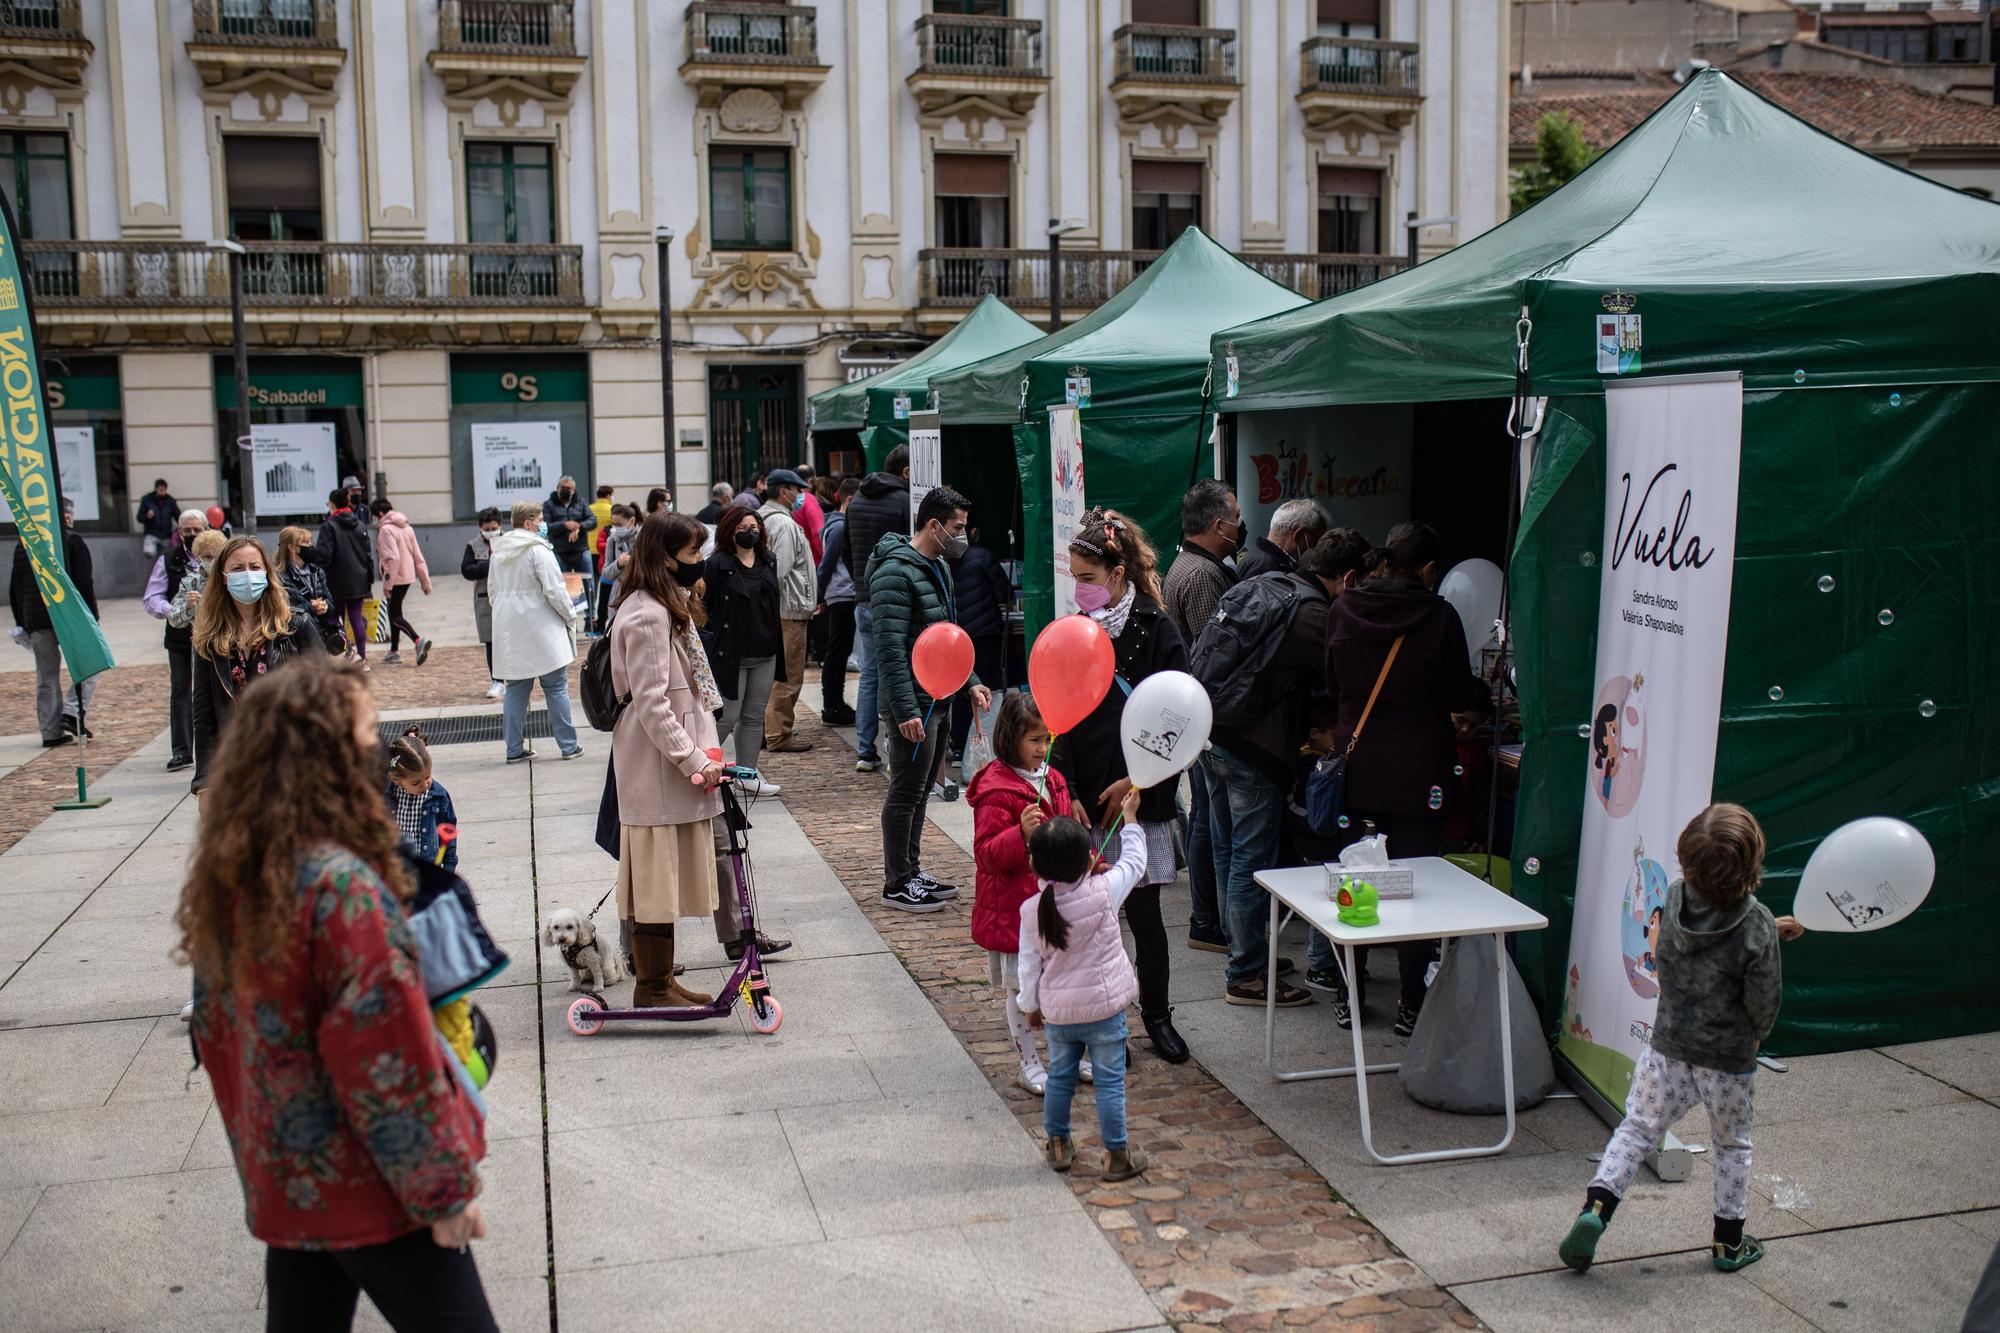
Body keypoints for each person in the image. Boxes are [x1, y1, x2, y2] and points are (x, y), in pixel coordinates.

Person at [174, 657, 495, 1331]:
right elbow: (385, 1057)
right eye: (369, 731)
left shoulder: (242, 871)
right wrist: (442, 1189)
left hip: (291, 1176)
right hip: (370, 1182)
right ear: (326, 753)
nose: (381, 749)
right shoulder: (339, 887)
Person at [1561, 803, 1803, 1277]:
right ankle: (1728, 1244)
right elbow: (1763, 1001)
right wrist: (1755, 1034)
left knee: (1636, 1129)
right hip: (1728, 1060)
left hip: (1668, 1046)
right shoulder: (1755, 924)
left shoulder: (1673, 899)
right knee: (1732, 1145)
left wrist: (1771, 931)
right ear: (1752, 863)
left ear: (1686, 860)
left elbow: (1697, 949)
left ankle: (1596, 1209)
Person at [1322, 520, 1490, 1034]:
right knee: (1415, 887)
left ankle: (1352, 994)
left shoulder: (1344, 607)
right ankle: (1410, 1002)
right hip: (1420, 771)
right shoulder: (1439, 617)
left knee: (1356, 878)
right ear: (1429, 568)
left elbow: (1331, 683)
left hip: (1361, 765)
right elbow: (1460, 692)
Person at [1051, 508, 1191, 1062]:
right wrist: (1073, 794)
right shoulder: (1072, 634)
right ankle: (1102, 1022)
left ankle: (1156, 1014)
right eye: (1074, 577)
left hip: (1140, 797)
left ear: (1116, 572)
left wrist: (1137, 783)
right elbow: (1057, 720)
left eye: (1086, 577)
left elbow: (1178, 716)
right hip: (1084, 797)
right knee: (1089, 917)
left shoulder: (1158, 630)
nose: (1079, 588)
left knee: (1146, 917)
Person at [1205, 540, 1362, 1011]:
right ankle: (1246, 973)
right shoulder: (1313, 615)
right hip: (1256, 748)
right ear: (1347, 578)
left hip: (1214, 734)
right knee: (1250, 863)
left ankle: (1245, 953)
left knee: (1230, 851)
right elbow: (1344, 679)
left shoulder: (1267, 586)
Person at [610, 511, 729, 1008]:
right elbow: (652, 703)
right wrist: (692, 759)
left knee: (667, 882)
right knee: (657, 882)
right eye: (692, 554)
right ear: (665, 558)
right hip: (660, 769)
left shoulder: (662, 605)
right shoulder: (646, 615)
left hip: (674, 767)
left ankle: (660, 981)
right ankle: (652, 986)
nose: (699, 562)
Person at [868, 484, 992, 912]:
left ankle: (911, 869)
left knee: (921, 791)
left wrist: (970, 679)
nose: (962, 535)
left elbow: (946, 637)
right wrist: (905, 709)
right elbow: (889, 648)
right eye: (957, 527)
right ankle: (896, 880)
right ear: (934, 525)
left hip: (937, 698)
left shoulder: (936, 563)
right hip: (914, 703)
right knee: (906, 791)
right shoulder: (894, 573)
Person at [1017, 792, 1151, 1182]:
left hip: (1060, 1014)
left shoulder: (1031, 910)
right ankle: (1117, 1154)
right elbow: (1135, 862)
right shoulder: (1104, 890)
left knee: (1060, 1077)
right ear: (1090, 860)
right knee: (1110, 1083)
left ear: (1033, 863)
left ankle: (1058, 1143)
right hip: (1106, 1011)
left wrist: (1031, 1005)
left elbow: (1029, 968)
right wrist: (1130, 819)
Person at [969, 692, 1073, 1094]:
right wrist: (1021, 834)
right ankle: (1028, 1060)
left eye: (1047, 740)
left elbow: (1065, 833)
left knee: (1062, 982)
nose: (1042, 748)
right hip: (1016, 909)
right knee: (1021, 988)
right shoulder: (997, 791)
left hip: (1054, 905)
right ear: (1012, 738)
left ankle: (1068, 1052)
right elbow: (986, 854)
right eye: (1035, 740)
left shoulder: (1053, 778)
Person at [1160, 478, 1242, 955]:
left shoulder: (1188, 565)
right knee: (1214, 823)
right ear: (1217, 525)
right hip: (1207, 717)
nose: (1238, 526)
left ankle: (1207, 918)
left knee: (1208, 819)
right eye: (1233, 520)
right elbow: (1219, 653)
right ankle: (1211, 921)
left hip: (1196, 713)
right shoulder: (1203, 575)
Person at [190, 535, 321, 794]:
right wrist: (203, 783)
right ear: (223, 577)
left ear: (267, 573)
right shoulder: (209, 640)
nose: (247, 574)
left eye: (254, 567)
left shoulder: (295, 626)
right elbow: (203, 716)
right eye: (238, 568)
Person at [488, 500, 583, 764]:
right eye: (540, 519)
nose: (543, 524)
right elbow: (555, 590)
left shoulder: (498, 552)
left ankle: (513, 749)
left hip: (510, 627)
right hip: (542, 627)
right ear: (529, 523)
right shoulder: (538, 551)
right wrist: (570, 615)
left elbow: (493, 592)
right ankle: (568, 745)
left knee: (516, 690)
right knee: (556, 687)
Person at [701, 506, 784, 797]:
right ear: (729, 531)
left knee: (754, 715)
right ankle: (702, 765)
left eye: (754, 526)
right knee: (727, 715)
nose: (750, 532)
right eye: (742, 527)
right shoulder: (718, 564)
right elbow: (704, 607)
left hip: (765, 651)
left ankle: (747, 775)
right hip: (731, 652)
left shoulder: (768, 560)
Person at [10, 496, 99, 747]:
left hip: (36, 620)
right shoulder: (71, 540)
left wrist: (23, 621)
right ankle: (71, 712)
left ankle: (50, 731)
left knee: (46, 675)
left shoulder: (24, 544)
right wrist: (92, 619)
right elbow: (84, 583)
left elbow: (14, 589)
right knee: (92, 663)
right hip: (69, 617)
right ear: (65, 516)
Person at [843, 445, 911, 774]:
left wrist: (860, 582)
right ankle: (898, 745)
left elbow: (846, 548)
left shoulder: (857, 500)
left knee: (870, 674)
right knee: (899, 670)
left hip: (862, 595)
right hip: (894, 597)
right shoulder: (902, 501)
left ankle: (865, 749)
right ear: (907, 473)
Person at [757, 468, 816, 754]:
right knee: (788, 676)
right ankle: (778, 733)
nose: (800, 495)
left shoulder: (764, 518)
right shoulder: (783, 523)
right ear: (784, 491)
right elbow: (779, 570)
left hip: (780, 608)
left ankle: (767, 730)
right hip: (788, 608)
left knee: (773, 674)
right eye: (797, 490)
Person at [144, 507, 208, 770]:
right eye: (186, 531)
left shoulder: (217, 555)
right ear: (179, 533)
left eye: (197, 530)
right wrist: (176, 610)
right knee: (181, 689)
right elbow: (152, 598)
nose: (191, 535)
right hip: (180, 634)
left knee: (211, 691)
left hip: (212, 634)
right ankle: (182, 750)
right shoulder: (169, 558)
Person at [948, 516, 1011, 768]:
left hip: (955, 636)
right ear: (974, 531)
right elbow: (1003, 591)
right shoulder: (983, 556)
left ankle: (957, 746)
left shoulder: (941, 558)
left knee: (961, 689)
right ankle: (979, 748)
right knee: (984, 691)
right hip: (984, 634)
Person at [815, 476, 861, 726]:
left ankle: (835, 703)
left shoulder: (836, 524)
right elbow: (828, 563)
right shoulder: (839, 526)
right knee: (837, 652)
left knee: (839, 652)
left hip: (840, 593)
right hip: (841, 594)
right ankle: (832, 705)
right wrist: (820, 594)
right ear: (850, 499)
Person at [313, 487, 375, 664]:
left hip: (336, 580)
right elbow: (368, 555)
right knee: (356, 617)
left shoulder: (329, 526)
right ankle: (362, 657)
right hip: (359, 578)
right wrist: (369, 581)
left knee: (333, 618)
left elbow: (324, 556)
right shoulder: (360, 525)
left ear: (332, 505)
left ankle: (349, 651)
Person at [367, 500, 433, 666]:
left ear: (380, 514)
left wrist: (387, 584)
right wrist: (425, 581)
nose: (374, 520)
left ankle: (418, 641)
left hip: (395, 577)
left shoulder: (385, 530)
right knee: (395, 611)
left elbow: (392, 558)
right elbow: (418, 556)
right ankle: (394, 650)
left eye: (374, 516)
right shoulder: (406, 527)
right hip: (408, 576)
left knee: (394, 615)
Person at [273, 525, 339, 653]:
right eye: (305, 543)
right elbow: (283, 610)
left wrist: (325, 607)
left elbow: (330, 602)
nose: (310, 547)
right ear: (291, 547)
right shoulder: (280, 576)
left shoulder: (317, 571)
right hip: (295, 639)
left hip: (320, 634)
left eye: (311, 542)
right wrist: (311, 607)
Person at [461, 508, 504, 699]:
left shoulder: (508, 541)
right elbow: (467, 570)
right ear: (480, 528)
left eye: (494, 528)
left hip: (506, 598)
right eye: (487, 528)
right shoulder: (473, 545)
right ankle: (496, 680)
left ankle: (511, 679)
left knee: (508, 641)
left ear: (500, 526)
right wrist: (490, 564)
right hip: (484, 599)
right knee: (490, 642)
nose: (491, 531)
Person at [1236, 497, 1330, 582]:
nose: (1317, 547)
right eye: (1317, 540)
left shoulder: (1262, 558)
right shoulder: (1265, 567)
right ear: (1299, 535)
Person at [542, 475, 597, 600]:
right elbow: (545, 527)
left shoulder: (581, 502)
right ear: (557, 488)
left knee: (589, 585)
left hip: (581, 549)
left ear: (574, 490)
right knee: (559, 587)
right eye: (563, 487)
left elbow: (593, 521)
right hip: (559, 551)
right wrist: (565, 525)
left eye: (569, 488)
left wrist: (579, 526)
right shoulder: (548, 504)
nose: (566, 490)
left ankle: (591, 617)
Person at [597, 503, 639, 636]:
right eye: (613, 524)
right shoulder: (612, 540)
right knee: (616, 634)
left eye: (619, 524)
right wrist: (619, 564)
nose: (615, 528)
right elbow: (606, 572)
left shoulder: (642, 538)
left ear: (631, 521)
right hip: (618, 593)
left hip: (639, 592)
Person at [791, 462, 826, 564]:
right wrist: (825, 556)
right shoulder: (810, 500)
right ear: (810, 481)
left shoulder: (788, 501)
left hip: (795, 560)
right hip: (813, 561)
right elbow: (817, 533)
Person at [136, 478, 179, 559]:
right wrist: (147, 516)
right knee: (149, 554)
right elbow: (139, 517)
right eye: (160, 490)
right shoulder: (147, 500)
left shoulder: (170, 501)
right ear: (156, 489)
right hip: (152, 533)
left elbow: (177, 515)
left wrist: (182, 525)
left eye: (164, 490)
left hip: (166, 535)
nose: (162, 492)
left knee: (166, 558)